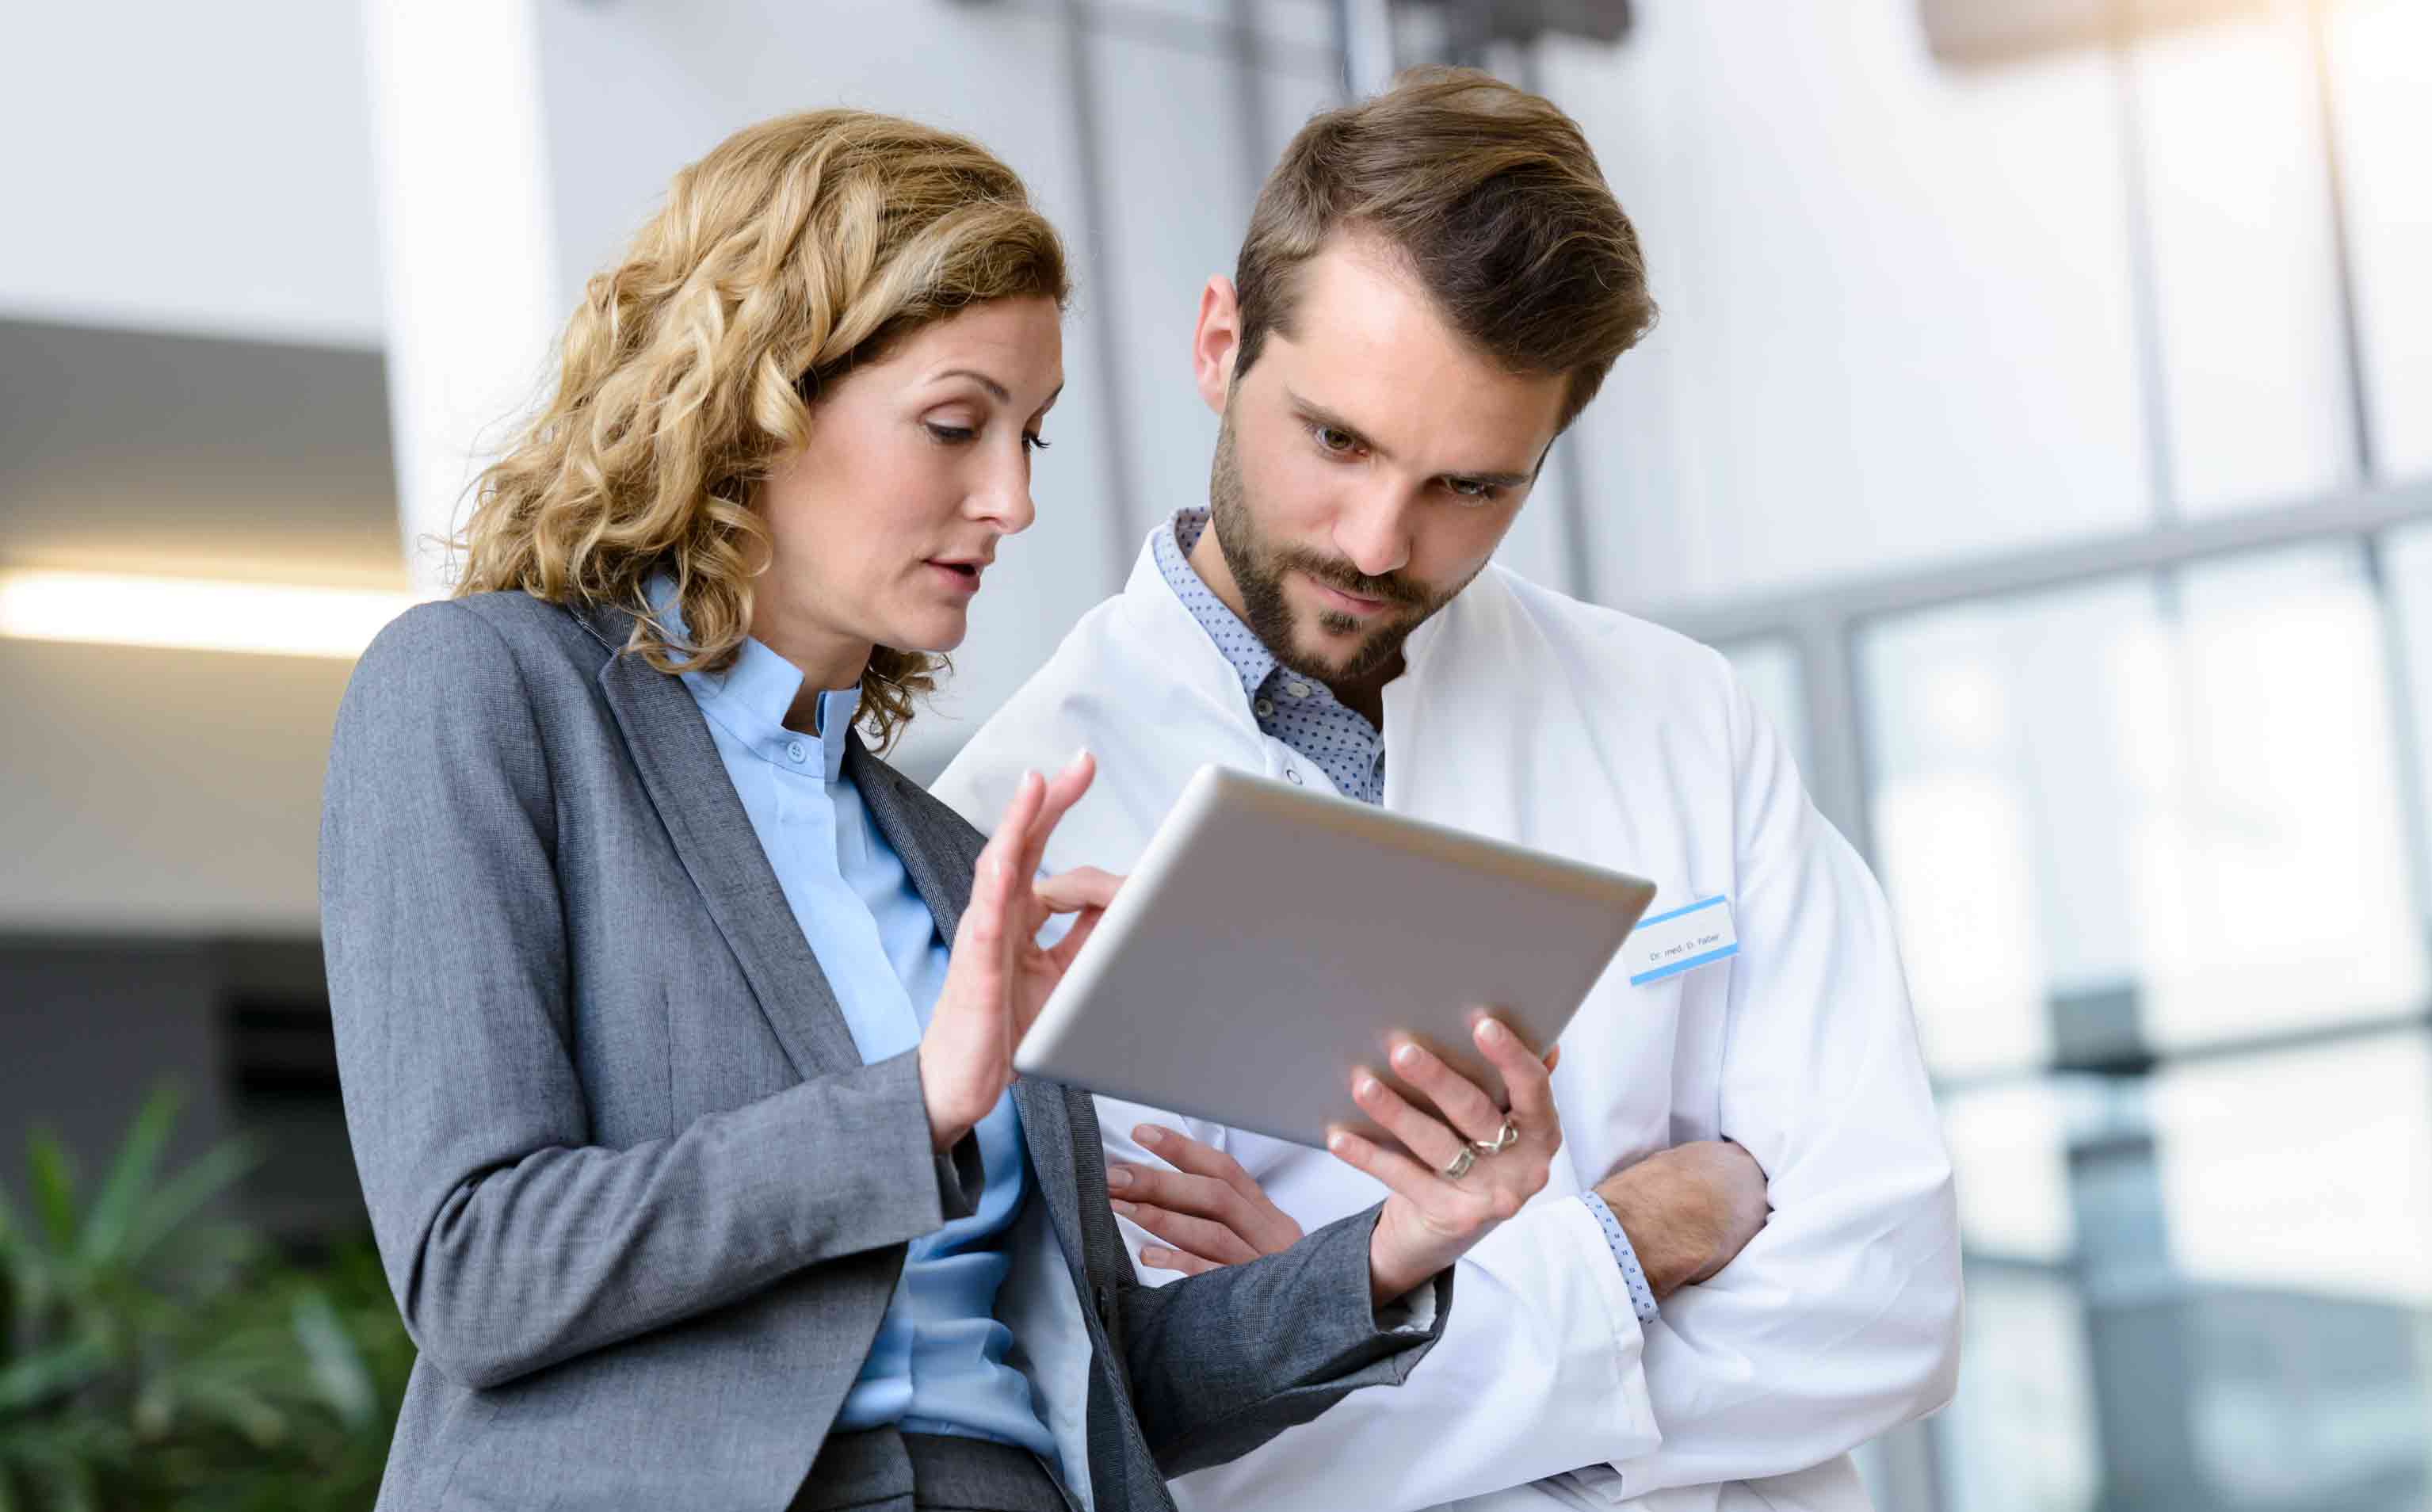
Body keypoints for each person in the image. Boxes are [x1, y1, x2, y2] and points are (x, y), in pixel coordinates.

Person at [319, 108, 1567, 1512]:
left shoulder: (942, 855)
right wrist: (917, 1104)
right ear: (757, 390)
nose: (1013, 500)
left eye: (1030, 437)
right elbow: (479, 1267)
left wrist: (1402, 1245)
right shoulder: (488, 693)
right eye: (957, 426)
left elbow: (1107, 1387)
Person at [932, 69, 1961, 1512]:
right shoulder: (1017, 825)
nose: (1376, 538)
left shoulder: (1680, 719)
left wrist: (1363, 1330)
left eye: (1470, 486)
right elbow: (1174, 1441)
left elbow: (1889, 1300)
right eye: (1337, 440)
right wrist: (1627, 1247)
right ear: (1221, 343)